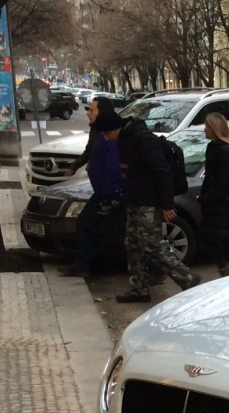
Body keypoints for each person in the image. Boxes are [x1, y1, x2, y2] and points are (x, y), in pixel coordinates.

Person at [95, 112, 200, 304]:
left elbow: (162, 171)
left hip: (150, 201)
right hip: (135, 199)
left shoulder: (142, 139)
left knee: (152, 244)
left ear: (115, 129)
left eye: (106, 134)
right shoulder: (125, 139)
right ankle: (138, 288)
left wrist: (167, 204)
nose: (105, 138)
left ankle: (186, 277)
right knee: (133, 243)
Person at [57, 97, 128, 278]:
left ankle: (154, 268)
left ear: (102, 113)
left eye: (92, 110)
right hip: (104, 190)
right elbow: (90, 152)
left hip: (112, 191)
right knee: (89, 224)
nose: (88, 112)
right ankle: (84, 263)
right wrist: (74, 166)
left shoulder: (109, 134)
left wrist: (109, 198)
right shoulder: (97, 131)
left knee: (121, 229)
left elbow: (113, 167)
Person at [198, 112, 229, 277]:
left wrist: (208, 198)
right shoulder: (214, 147)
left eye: (207, 126)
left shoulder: (225, 150)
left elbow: (225, 181)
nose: (205, 129)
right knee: (226, 240)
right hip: (217, 202)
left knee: (215, 238)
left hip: (222, 203)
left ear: (214, 128)